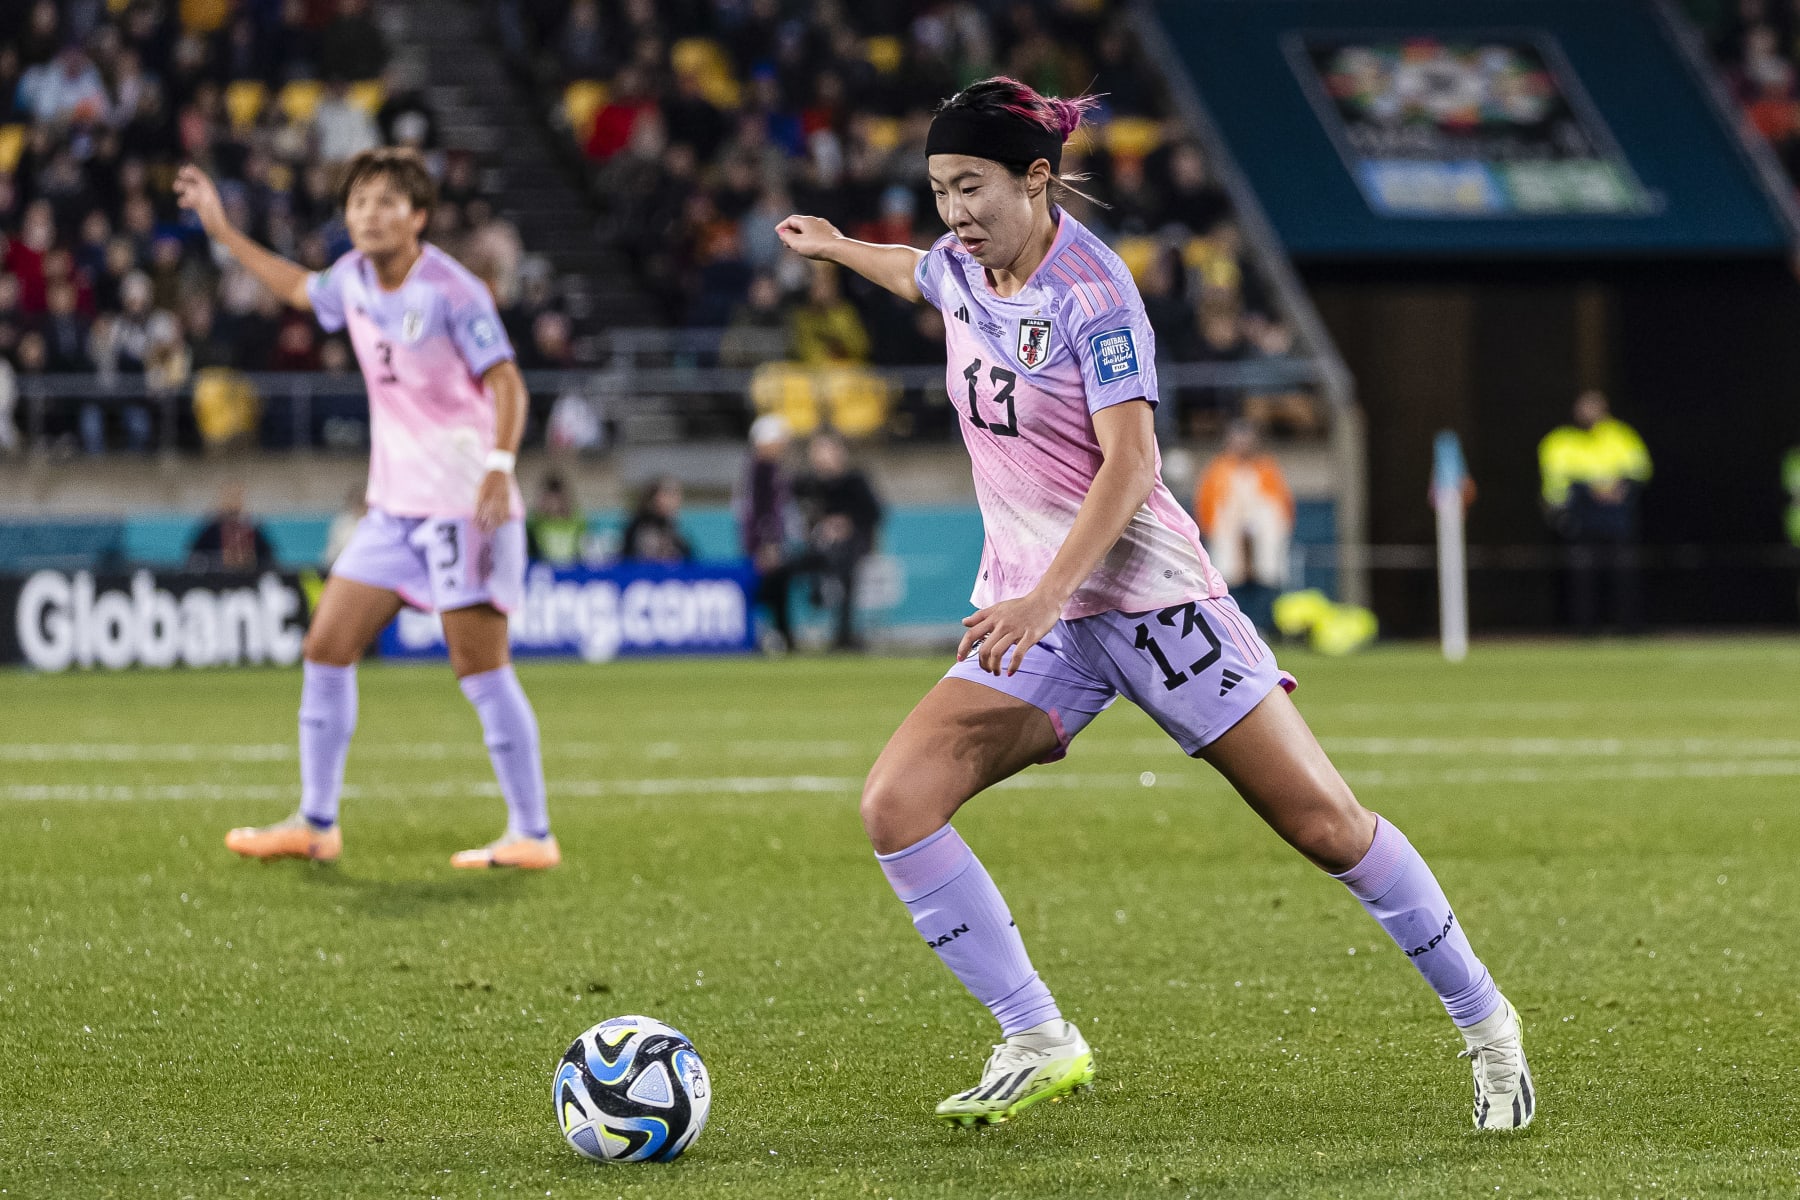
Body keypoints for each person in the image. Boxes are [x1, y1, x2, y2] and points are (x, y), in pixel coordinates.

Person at [775, 76, 1533, 1132]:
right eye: (941, 189)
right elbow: (919, 274)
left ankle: (1489, 1027)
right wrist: (838, 247)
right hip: (1045, 620)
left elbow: (1132, 464)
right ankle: (1037, 1036)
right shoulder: (962, 265)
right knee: (896, 806)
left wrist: (1044, 598)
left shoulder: (1093, 293)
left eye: (972, 187)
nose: (954, 212)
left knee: (1325, 825)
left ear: (1036, 180)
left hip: (1149, 607)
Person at [176, 147, 559, 871]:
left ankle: (533, 832)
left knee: (480, 667)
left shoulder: (452, 290)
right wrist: (222, 231)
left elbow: (508, 383)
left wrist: (500, 467)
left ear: (418, 216)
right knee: (326, 646)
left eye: (386, 202)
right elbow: (295, 285)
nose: (369, 215)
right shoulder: (351, 277)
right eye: (358, 203)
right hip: (393, 510)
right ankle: (316, 823)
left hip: (463, 505)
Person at [1538, 390, 1652, 634]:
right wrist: (1586, 491)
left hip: (1616, 517)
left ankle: (1629, 629)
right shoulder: (1560, 440)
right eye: (1585, 408)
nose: (1589, 413)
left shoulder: (1621, 435)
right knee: (1582, 577)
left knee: (1624, 573)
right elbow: (1555, 480)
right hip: (1580, 516)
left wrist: (1621, 487)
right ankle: (1584, 631)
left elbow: (1641, 469)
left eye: (1595, 407)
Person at [1194, 421, 1294, 631]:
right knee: (1230, 575)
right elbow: (1206, 503)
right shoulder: (1218, 469)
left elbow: (1281, 502)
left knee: (1265, 574)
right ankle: (1233, 626)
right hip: (1228, 535)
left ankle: (1263, 626)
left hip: (1262, 535)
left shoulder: (1266, 468)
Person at [792, 432, 883, 649]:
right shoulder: (807, 484)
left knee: (844, 568)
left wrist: (846, 523)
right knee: (787, 566)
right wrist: (819, 526)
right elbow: (797, 513)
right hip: (818, 546)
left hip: (853, 546)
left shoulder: (855, 481)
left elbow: (874, 513)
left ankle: (844, 635)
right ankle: (787, 633)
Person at [735, 413, 800, 650]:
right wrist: (768, 543)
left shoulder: (761, 469)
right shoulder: (762, 470)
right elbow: (762, 511)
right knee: (768, 588)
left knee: (776, 587)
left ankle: (779, 635)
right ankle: (772, 636)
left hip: (763, 542)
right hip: (763, 545)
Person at [187, 482, 277, 572]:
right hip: (218, 578)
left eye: (236, 497)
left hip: (248, 577)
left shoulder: (251, 529)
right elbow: (195, 558)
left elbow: (268, 558)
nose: (232, 502)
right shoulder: (210, 531)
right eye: (229, 497)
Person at [621, 476, 694, 564]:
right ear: (655, 498)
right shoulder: (642, 527)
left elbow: (689, 558)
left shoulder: (669, 526)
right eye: (670, 494)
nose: (677, 500)